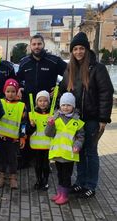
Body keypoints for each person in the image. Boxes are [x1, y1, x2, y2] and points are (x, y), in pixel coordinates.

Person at [59, 32, 114, 198]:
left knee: (90, 152)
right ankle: (80, 182)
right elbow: (62, 89)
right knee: (79, 152)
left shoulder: (98, 68)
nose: (78, 52)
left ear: (87, 49)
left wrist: (103, 119)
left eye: (81, 48)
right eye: (75, 48)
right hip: (75, 119)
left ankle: (90, 185)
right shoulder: (70, 69)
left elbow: (106, 93)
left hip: (91, 119)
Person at [16, 34, 67, 168]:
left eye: (39, 44)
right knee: (28, 128)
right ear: (30, 46)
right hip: (30, 104)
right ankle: (26, 159)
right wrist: (20, 87)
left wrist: (59, 88)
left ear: (43, 45)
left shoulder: (54, 60)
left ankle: (47, 160)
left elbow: (69, 75)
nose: (36, 46)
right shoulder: (24, 62)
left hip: (48, 105)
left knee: (48, 130)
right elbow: (18, 79)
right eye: (34, 44)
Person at [45, 92, 85, 205]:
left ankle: (64, 195)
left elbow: (80, 136)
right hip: (58, 154)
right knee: (59, 174)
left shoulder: (78, 121)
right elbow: (49, 134)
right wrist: (50, 124)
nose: (65, 107)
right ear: (60, 105)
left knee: (66, 176)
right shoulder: (55, 117)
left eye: (68, 105)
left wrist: (77, 145)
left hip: (69, 155)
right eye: (63, 105)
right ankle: (60, 193)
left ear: (73, 106)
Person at [0, 79, 27, 189]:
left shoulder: (21, 106)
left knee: (13, 159)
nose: (10, 94)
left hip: (14, 139)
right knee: (1, 158)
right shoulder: (0, 102)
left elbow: (23, 123)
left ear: (17, 91)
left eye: (13, 91)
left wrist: (22, 137)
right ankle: (1, 176)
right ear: (4, 91)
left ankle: (13, 177)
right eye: (8, 91)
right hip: (1, 137)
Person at [28, 90, 51, 190]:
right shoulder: (32, 114)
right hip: (36, 145)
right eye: (40, 101)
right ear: (36, 102)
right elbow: (28, 131)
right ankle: (38, 180)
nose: (42, 103)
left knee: (46, 165)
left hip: (47, 145)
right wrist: (31, 125)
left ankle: (45, 181)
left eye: (45, 101)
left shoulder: (52, 114)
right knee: (37, 165)